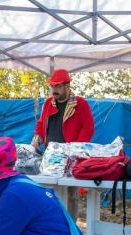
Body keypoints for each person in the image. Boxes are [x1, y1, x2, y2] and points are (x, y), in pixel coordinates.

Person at [30, 69, 94, 221]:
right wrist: (36, 140)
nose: (54, 90)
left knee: (71, 195)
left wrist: (74, 149)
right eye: (52, 86)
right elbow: (40, 124)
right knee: (48, 193)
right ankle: (51, 226)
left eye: (58, 86)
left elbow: (88, 128)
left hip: (71, 158)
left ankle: (71, 229)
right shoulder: (47, 103)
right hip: (49, 158)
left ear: (67, 86)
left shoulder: (81, 104)